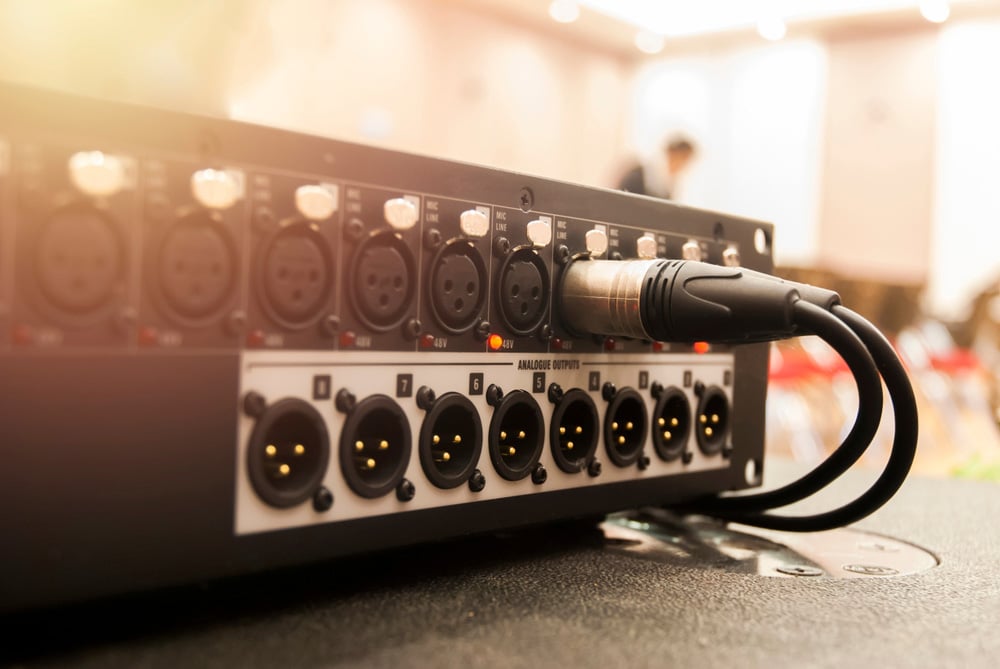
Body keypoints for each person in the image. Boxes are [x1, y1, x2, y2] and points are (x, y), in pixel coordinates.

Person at [617, 135, 697, 200]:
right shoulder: (637, 177)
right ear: (671, 153)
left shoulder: (667, 186)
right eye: (682, 159)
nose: (683, 167)